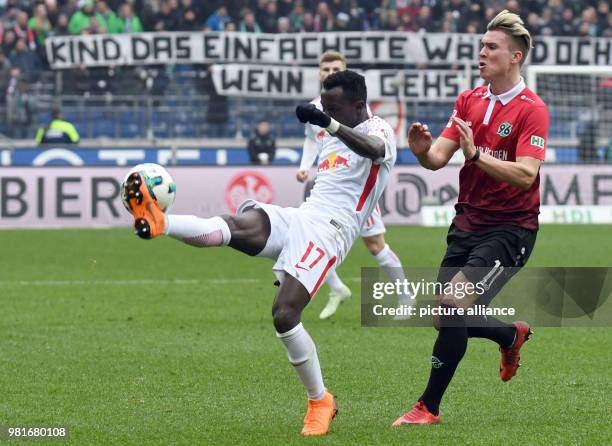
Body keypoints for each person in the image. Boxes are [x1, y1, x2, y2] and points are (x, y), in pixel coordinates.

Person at [124, 70, 396, 436]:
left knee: (284, 314)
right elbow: (318, 119)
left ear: (358, 106)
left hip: (333, 232)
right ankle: (160, 223)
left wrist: (327, 122)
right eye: (324, 105)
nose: (326, 111)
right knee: (234, 227)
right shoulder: (332, 126)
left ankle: (320, 401)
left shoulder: (379, 131)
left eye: (334, 107)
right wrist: (318, 117)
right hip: (303, 216)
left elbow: (374, 152)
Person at [393, 10, 549, 426]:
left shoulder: (532, 110)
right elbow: (437, 159)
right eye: (481, 46)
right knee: (445, 315)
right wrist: (421, 149)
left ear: (515, 57)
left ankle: (428, 407)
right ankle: (508, 335)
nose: (482, 53)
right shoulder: (469, 100)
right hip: (466, 224)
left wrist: (476, 155)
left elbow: (526, 174)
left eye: (491, 47)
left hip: (510, 229)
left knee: (452, 303)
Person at [297, 50, 410, 320]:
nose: (330, 73)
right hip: (330, 184)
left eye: (336, 68)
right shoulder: (316, 107)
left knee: (375, 245)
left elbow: (367, 140)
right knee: (309, 236)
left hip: (357, 188)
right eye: (326, 70)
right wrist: (304, 165)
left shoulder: (354, 108)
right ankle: (337, 288)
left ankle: (406, 294)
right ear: (320, 73)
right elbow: (313, 139)